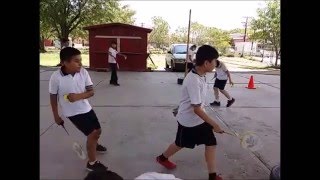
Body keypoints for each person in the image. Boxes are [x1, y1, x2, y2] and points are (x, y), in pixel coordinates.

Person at [156, 45, 225, 180]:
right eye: (214, 61)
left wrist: (209, 123)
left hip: (199, 120)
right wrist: (214, 124)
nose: (215, 65)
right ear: (206, 63)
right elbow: (196, 109)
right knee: (180, 144)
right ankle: (162, 158)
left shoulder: (202, 73)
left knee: (211, 142)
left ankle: (212, 176)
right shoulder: (193, 80)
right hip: (188, 121)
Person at [49, 47, 107, 171]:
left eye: (81, 60)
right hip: (72, 113)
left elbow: (91, 92)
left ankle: (94, 145)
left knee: (98, 131)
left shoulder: (83, 72)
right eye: (76, 61)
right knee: (92, 134)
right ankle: (91, 163)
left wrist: (78, 96)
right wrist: (56, 115)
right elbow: (53, 96)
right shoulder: (56, 77)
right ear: (64, 62)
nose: (80, 63)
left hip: (86, 107)